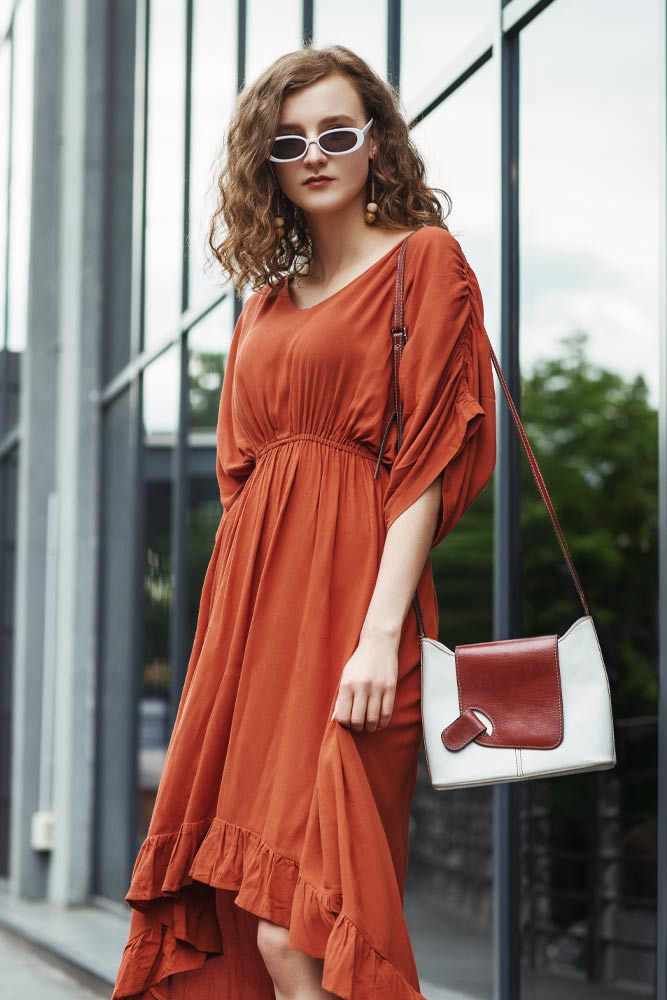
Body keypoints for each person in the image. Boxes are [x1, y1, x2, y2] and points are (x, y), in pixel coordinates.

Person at [111, 43, 496, 1000]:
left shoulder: (424, 262)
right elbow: (241, 481)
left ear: (376, 142)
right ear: (266, 165)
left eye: (336, 131)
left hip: (358, 616)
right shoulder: (263, 304)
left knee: (301, 930)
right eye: (290, 142)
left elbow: (427, 461)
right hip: (254, 624)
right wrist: (229, 647)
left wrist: (377, 636)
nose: (315, 154)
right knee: (257, 921)